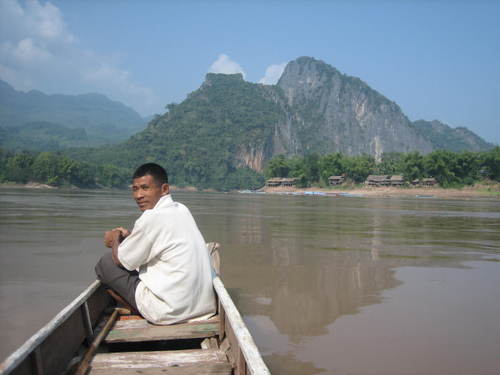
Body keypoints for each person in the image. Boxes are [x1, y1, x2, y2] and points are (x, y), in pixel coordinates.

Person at [95, 163, 216, 324]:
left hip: (169, 311)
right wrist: (129, 236)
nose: (138, 195)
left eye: (145, 188)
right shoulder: (181, 209)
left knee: (106, 263)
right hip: (204, 309)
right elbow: (158, 239)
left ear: (164, 189)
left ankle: (138, 309)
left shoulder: (151, 217)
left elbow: (120, 260)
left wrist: (115, 238)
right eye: (135, 189)